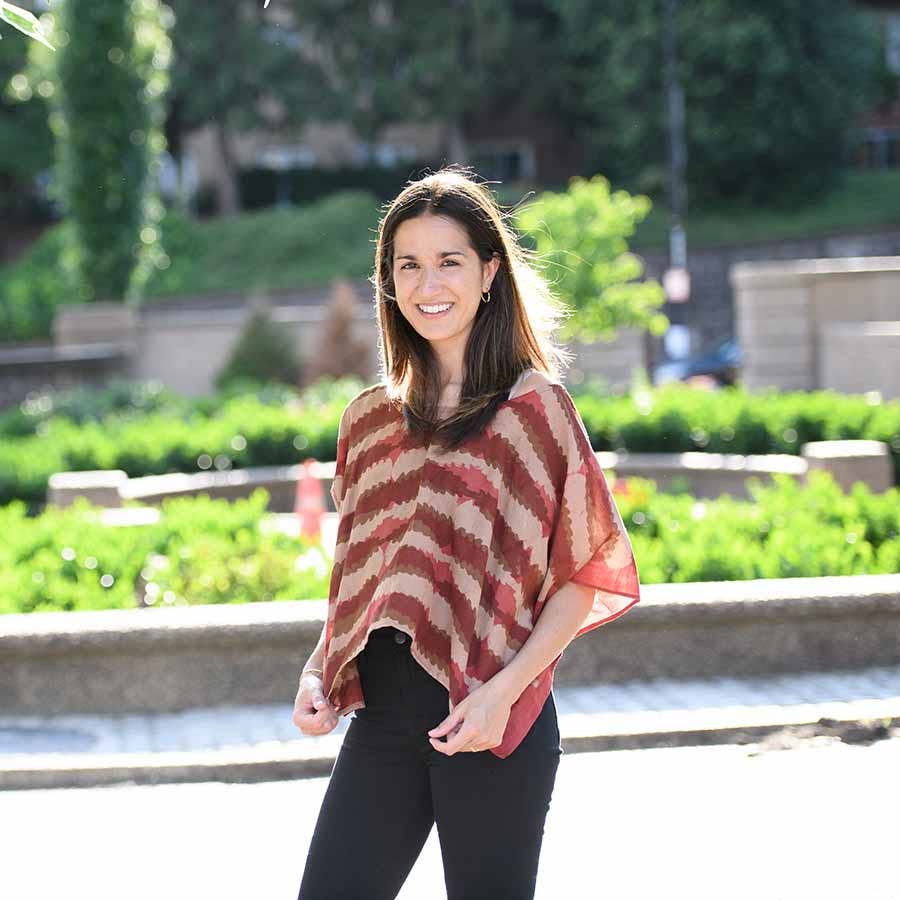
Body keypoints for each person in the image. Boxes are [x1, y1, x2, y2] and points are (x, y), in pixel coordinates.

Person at [293, 166, 641, 900]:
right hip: (384, 722)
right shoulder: (368, 420)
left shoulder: (535, 409)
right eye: (407, 265)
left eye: (449, 261)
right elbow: (365, 575)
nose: (428, 284)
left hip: (492, 721)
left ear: (489, 271)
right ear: (387, 280)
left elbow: (584, 573)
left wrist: (503, 694)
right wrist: (317, 669)